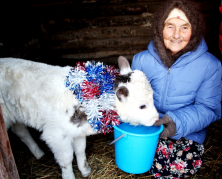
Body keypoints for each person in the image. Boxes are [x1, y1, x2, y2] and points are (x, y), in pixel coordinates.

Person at [131, 0, 221, 178]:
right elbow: (133, 99)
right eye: (170, 26)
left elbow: (209, 108)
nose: (176, 35)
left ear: (194, 30)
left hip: (187, 131)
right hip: (150, 127)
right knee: (141, 162)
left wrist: (176, 122)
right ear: (159, 28)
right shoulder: (141, 60)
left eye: (185, 27)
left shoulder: (211, 65)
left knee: (174, 168)